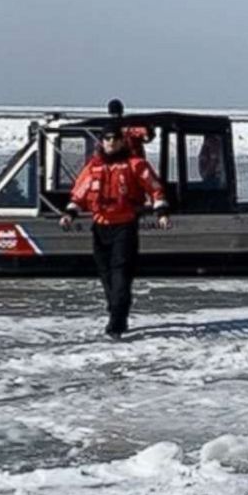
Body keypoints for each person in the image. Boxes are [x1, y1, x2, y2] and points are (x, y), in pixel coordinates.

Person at [60, 120, 171, 340]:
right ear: (102, 142)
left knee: (121, 275)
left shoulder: (135, 165)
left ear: (122, 141)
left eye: (115, 139)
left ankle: (116, 326)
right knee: (106, 276)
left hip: (124, 226)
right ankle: (117, 309)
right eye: (107, 139)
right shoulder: (93, 167)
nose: (111, 143)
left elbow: (155, 189)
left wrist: (161, 212)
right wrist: (69, 214)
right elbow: (79, 194)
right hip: (100, 227)